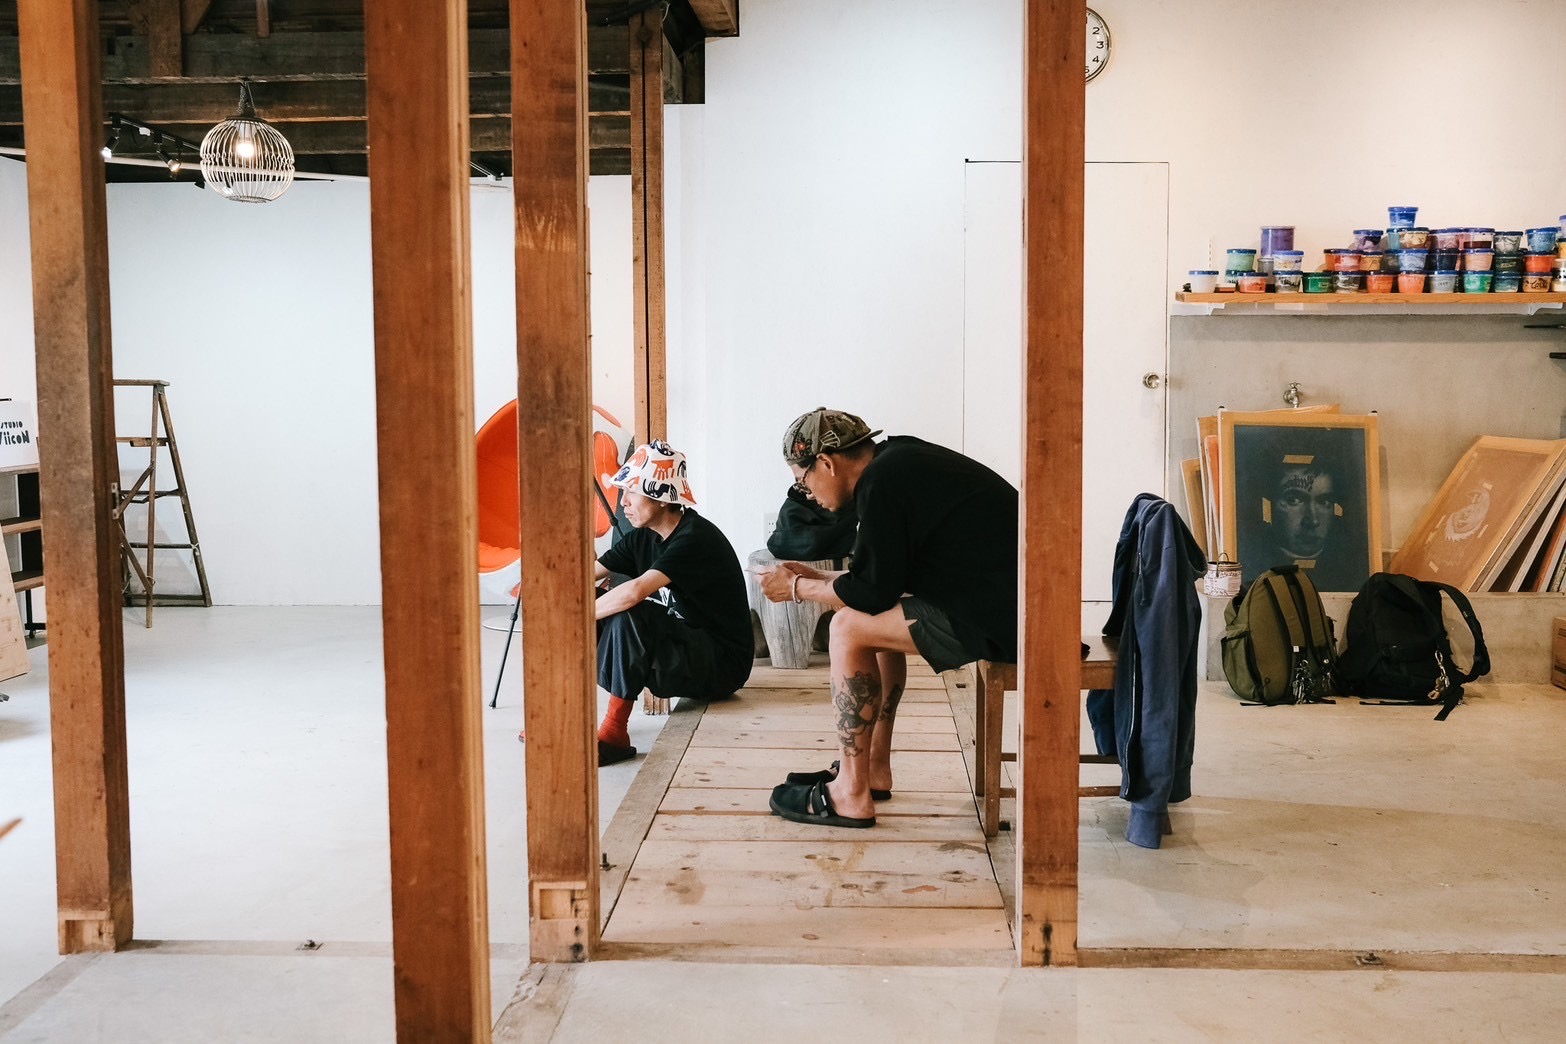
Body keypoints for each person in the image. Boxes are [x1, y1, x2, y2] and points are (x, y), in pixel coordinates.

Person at [757, 407, 1018, 828]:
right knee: (864, 617)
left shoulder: (882, 482)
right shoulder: (895, 461)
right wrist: (820, 578)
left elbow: (872, 591)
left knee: (847, 627)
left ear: (826, 463)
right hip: (1004, 606)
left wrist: (797, 588)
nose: (808, 494)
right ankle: (872, 769)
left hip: (1002, 620)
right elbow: (882, 580)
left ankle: (850, 793)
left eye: (802, 482)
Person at [590, 440, 753, 765]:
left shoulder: (695, 538)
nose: (623, 502)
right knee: (582, 600)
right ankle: (564, 712)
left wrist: (575, 615)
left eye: (632, 492)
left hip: (721, 665)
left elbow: (635, 593)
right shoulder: (643, 536)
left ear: (663, 497)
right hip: (681, 649)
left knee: (628, 610)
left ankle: (614, 733)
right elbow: (583, 578)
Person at [1238, 435, 1369, 593]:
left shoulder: (1349, 570)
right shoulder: (1252, 565)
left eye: (1324, 501)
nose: (1312, 520)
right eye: (1294, 500)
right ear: (1267, 505)